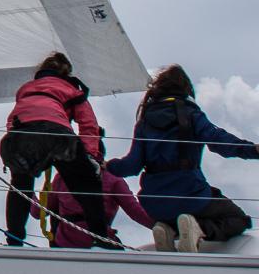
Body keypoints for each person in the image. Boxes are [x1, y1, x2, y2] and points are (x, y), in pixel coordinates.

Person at [107, 64, 259, 252]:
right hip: (189, 195)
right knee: (239, 219)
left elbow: (131, 165)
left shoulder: (144, 122)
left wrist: (108, 166)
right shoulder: (191, 114)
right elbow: (219, 141)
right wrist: (253, 150)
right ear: (185, 88)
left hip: (154, 204)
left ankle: (169, 231)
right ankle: (200, 230)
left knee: (182, 212)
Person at [0, 52, 114, 247]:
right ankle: (101, 237)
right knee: (86, 185)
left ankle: (14, 239)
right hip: (58, 134)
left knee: (21, 185)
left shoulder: (26, 88)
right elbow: (89, 125)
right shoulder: (72, 89)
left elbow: (15, 116)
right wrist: (91, 156)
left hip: (21, 135)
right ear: (66, 73)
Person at [31, 168, 153, 249]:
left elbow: (38, 212)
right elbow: (136, 212)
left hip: (64, 243)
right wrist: (160, 226)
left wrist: (27, 191)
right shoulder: (112, 178)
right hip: (101, 242)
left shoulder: (62, 177)